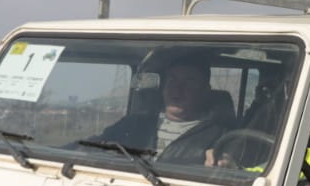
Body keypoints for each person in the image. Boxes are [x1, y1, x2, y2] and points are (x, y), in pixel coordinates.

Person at [94, 53, 233, 162]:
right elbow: (91, 146)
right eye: (172, 79)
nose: (177, 89)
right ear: (163, 87)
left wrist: (224, 165)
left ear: (205, 90)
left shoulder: (222, 136)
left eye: (189, 82)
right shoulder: (134, 124)